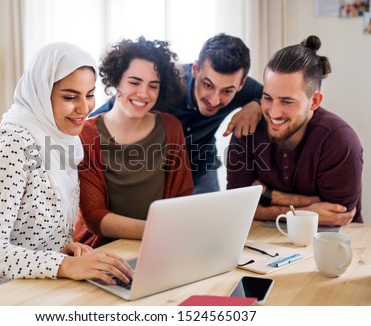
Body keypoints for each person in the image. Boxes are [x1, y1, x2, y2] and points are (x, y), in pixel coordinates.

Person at [0, 43, 133, 305]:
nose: (84, 108)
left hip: (34, 288)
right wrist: (63, 265)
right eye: (69, 97)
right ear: (42, 95)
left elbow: (30, 234)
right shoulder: (12, 145)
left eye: (89, 94)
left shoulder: (63, 140)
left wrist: (62, 250)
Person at [90, 33, 263, 194]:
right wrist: (80, 131)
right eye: (208, 85)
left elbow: (273, 96)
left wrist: (256, 105)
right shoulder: (166, 85)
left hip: (202, 166)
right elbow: (116, 107)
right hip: (158, 171)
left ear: (241, 85)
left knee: (211, 221)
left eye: (227, 91)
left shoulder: (242, 87)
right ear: (196, 69)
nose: (214, 100)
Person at [226, 35, 363, 226]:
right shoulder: (247, 129)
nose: (273, 112)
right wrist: (307, 210)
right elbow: (236, 205)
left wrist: (267, 195)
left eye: (286, 101)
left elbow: (338, 214)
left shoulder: (339, 139)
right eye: (267, 97)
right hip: (264, 242)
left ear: (314, 101)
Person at [74, 37, 193, 248]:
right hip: (101, 251)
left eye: (153, 86)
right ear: (116, 80)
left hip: (158, 247)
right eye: (134, 82)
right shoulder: (85, 135)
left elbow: (182, 200)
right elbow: (94, 217)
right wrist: (158, 231)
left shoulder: (171, 128)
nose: (143, 94)